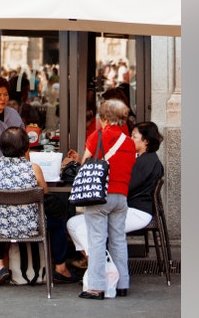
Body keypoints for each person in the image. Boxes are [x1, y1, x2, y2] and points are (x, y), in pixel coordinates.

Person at [0, 127, 78, 285]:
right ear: (26, 147)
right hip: (32, 228)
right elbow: (44, 192)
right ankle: (60, 268)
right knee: (58, 223)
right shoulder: (33, 169)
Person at [67, 121, 164, 267]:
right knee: (72, 224)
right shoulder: (139, 158)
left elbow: (126, 186)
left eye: (134, 136)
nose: (130, 139)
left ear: (146, 141)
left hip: (136, 212)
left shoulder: (147, 162)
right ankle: (100, 265)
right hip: (124, 208)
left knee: (82, 229)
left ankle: (103, 269)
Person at [76, 99, 137, 299]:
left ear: (104, 118)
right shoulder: (129, 141)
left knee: (97, 240)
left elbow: (85, 162)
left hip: (100, 196)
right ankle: (122, 284)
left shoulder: (98, 136)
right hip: (121, 197)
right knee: (119, 240)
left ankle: (97, 287)